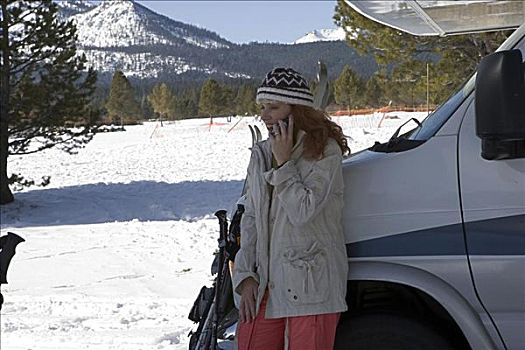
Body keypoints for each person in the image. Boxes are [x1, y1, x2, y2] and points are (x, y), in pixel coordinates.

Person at [232, 67, 350, 350]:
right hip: (265, 284)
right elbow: (251, 218)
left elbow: (303, 212)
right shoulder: (260, 154)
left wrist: (285, 164)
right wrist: (245, 274)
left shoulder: (324, 152)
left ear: (297, 110)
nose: (265, 115)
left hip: (311, 286)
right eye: (262, 107)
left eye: (274, 106)